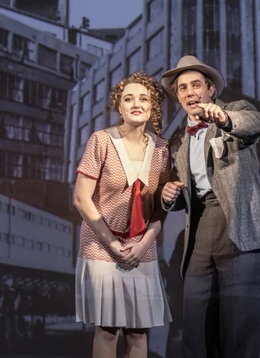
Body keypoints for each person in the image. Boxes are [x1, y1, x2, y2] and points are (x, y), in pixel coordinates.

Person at [159, 55, 260, 358]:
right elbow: (181, 195)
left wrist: (224, 119)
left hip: (242, 229)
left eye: (196, 85)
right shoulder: (178, 143)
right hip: (200, 233)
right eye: (183, 88)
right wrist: (168, 195)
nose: (190, 93)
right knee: (196, 335)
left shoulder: (235, 111)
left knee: (240, 336)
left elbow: (256, 123)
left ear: (210, 89)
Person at [73, 71, 172, 358]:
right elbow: (81, 198)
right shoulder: (101, 140)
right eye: (128, 99)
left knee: (138, 332)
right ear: (119, 106)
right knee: (107, 330)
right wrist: (114, 245)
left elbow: (160, 208)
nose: (136, 104)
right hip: (102, 247)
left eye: (143, 98)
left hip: (142, 248)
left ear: (153, 107)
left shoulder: (162, 149)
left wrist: (143, 245)